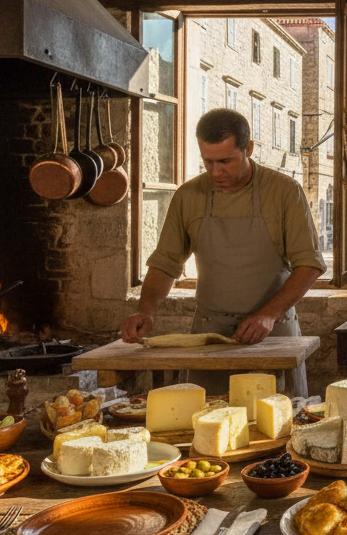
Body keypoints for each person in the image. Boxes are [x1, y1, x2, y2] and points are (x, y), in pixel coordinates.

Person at [120, 108, 325, 396]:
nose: (216, 172)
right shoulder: (188, 196)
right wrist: (145, 310)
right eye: (208, 162)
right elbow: (166, 263)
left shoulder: (284, 191)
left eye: (226, 161)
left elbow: (309, 264)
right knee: (206, 426)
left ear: (248, 149)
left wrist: (267, 315)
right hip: (210, 335)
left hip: (271, 333)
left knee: (279, 425)